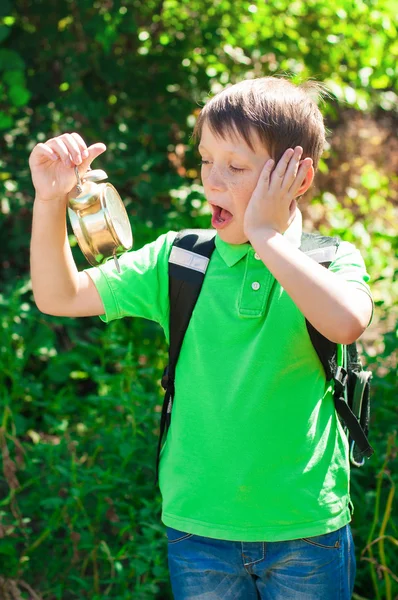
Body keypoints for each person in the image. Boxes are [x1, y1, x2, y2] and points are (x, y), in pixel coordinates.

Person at [29, 76, 373, 600]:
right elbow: (59, 296)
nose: (212, 181)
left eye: (235, 167)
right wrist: (50, 201)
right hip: (199, 528)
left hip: (306, 528)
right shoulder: (179, 260)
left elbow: (347, 322)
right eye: (206, 160)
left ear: (297, 177)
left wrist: (266, 236)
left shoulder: (328, 262)